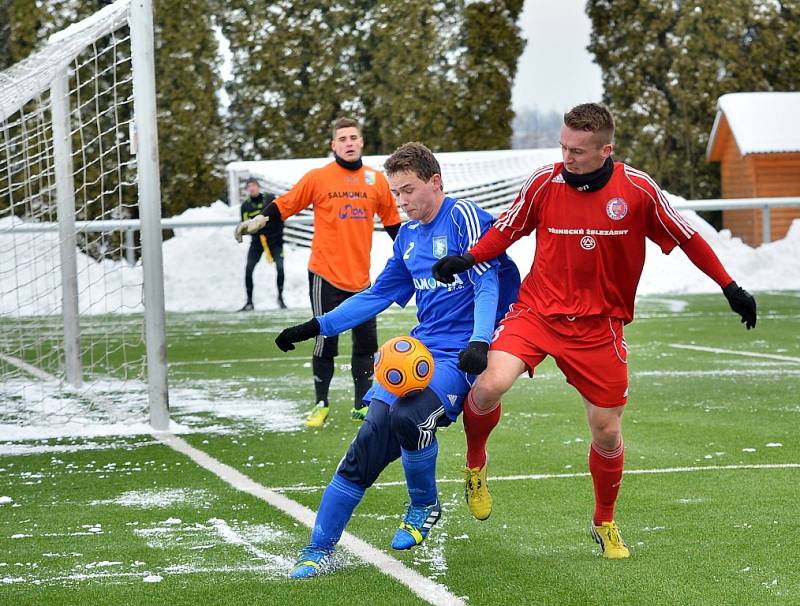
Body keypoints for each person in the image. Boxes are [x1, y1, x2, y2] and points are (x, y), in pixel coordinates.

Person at [432, 103, 757, 559]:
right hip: (537, 313)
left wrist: (730, 286)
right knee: (487, 386)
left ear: (606, 149)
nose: (567, 157)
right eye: (563, 146)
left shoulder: (638, 190)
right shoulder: (544, 183)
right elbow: (507, 229)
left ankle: (603, 521)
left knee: (606, 431)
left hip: (600, 326)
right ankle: (475, 465)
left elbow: (688, 237)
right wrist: (468, 258)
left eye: (578, 151)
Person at [273, 142, 521, 578]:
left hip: (461, 354)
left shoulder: (463, 217)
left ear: (435, 182)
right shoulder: (406, 238)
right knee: (368, 440)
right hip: (422, 348)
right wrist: (317, 326)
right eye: (396, 192)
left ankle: (424, 505)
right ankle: (317, 549)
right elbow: (378, 295)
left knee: (412, 416)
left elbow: (487, 284)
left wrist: (481, 342)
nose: (400, 200)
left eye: (407, 190)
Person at [238, 117, 402, 427]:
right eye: (343, 138)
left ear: (362, 142)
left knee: (366, 345)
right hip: (325, 274)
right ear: (333, 145)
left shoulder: (376, 180)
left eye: (354, 137)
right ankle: (321, 404)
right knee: (326, 339)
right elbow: (286, 204)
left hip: (362, 279)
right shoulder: (319, 177)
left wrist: (415, 254)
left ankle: (362, 405)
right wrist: (259, 221)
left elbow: (394, 223)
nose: (349, 142)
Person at [234, 177, 285, 310]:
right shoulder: (245, 206)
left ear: (258, 187)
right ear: (247, 189)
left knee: (280, 268)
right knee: (248, 269)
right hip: (257, 241)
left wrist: (277, 231)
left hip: (275, 240)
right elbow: (246, 225)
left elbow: (281, 215)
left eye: (254, 185)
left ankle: (280, 298)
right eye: (249, 186)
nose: (252, 188)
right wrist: (242, 230)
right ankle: (249, 302)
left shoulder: (270, 198)